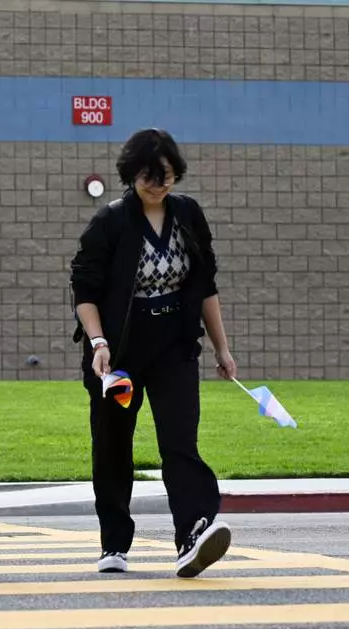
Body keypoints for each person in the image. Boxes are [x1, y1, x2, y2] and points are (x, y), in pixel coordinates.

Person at [69, 128, 237, 579]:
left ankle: (194, 534)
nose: (158, 183)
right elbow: (84, 289)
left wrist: (222, 348)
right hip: (120, 352)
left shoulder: (188, 216)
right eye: (148, 175)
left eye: (165, 175)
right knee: (113, 444)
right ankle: (114, 543)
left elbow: (205, 285)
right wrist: (98, 343)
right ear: (131, 174)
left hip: (174, 345)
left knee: (180, 440)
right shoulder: (112, 220)